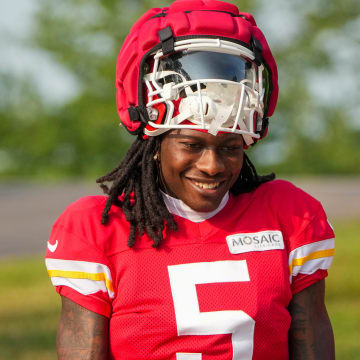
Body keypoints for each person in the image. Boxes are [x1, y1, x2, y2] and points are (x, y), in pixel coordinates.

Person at [45, 0, 335, 359]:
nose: (213, 165)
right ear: (154, 142)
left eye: (230, 147)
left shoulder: (289, 214)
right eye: (192, 145)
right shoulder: (98, 228)